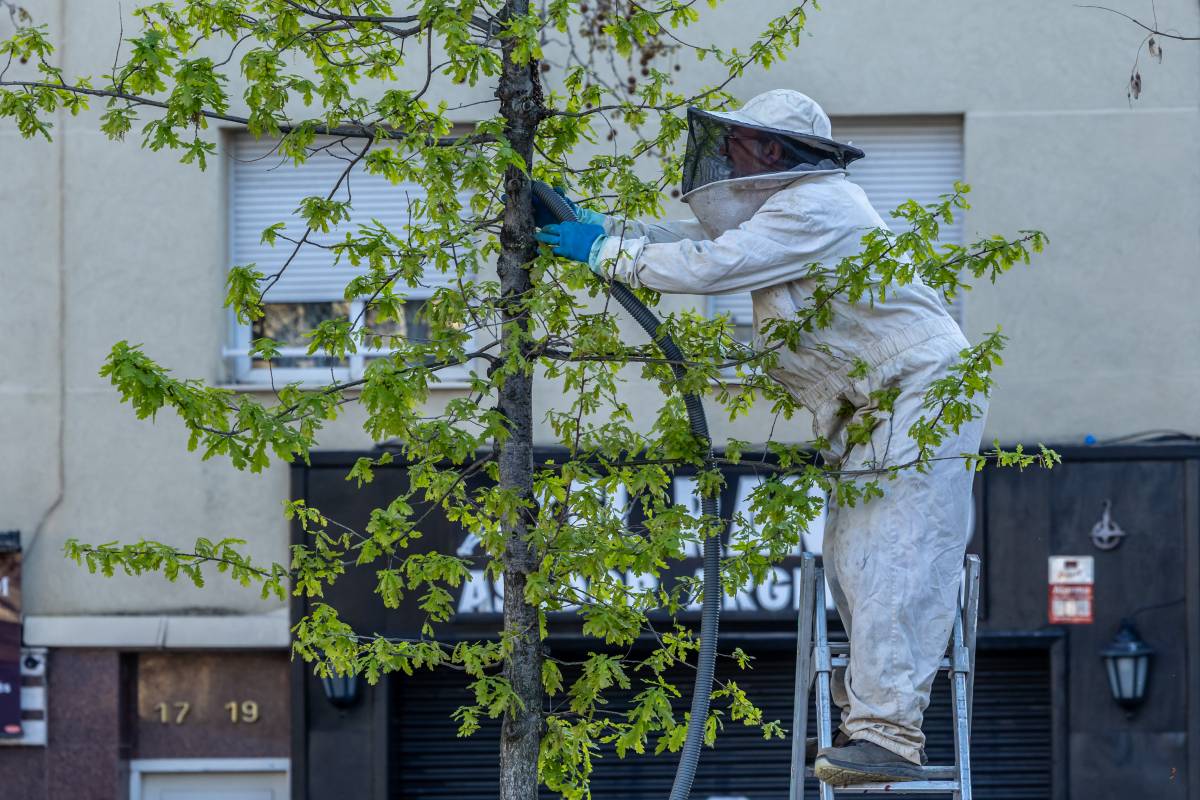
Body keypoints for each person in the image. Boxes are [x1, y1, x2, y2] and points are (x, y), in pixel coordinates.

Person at [533, 89, 988, 786]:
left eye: (739, 145)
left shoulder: (818, 206)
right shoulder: (788, 217)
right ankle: (869, 719)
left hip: (917, 394)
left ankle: (889, 735)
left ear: (771, 151)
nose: (728, 159)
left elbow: (710, 267)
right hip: (873, 406)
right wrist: (609, 232)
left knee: (894, 554)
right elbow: (707, 248)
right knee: (851, 558)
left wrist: (604, 252)